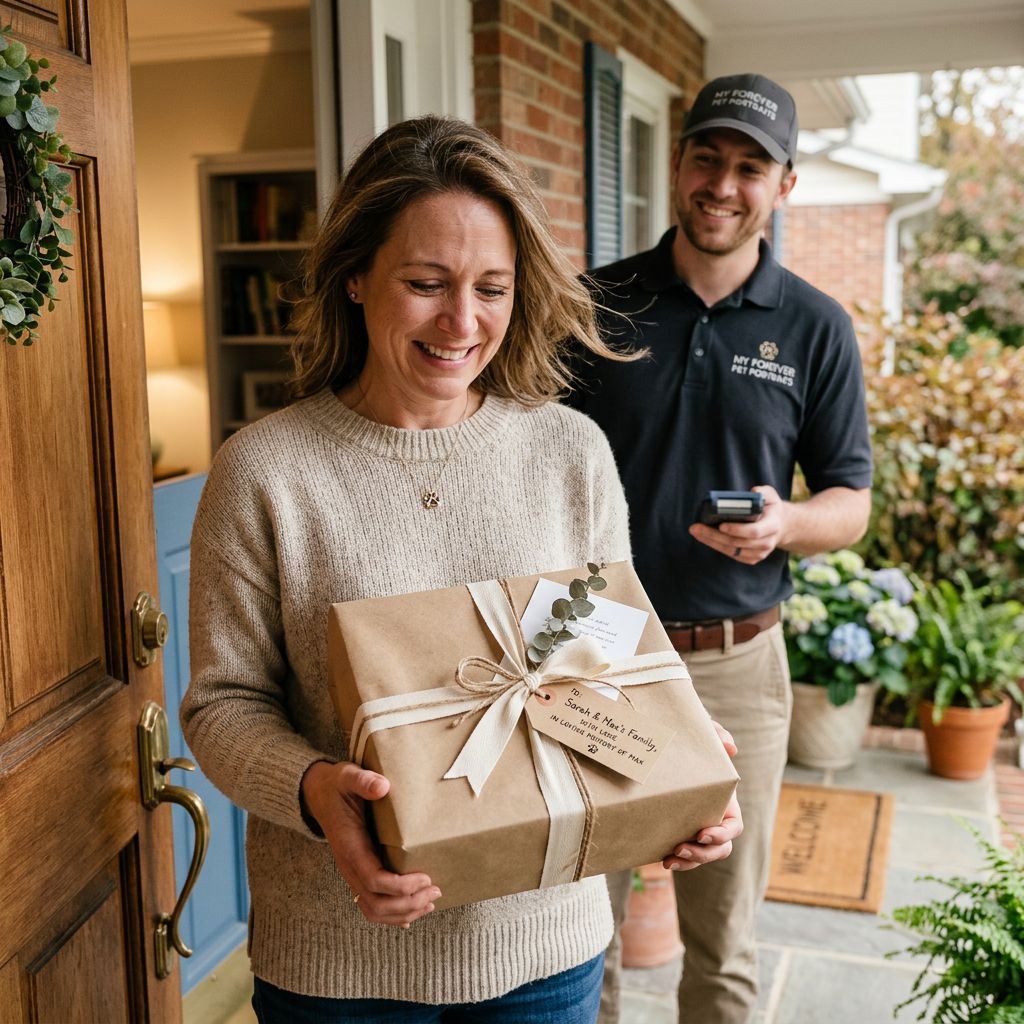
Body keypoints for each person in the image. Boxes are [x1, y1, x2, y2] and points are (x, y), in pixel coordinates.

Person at [181, 115, 741, 1024]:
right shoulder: (267, 471)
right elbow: (223, 703)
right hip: (340, 962)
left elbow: (605, 651)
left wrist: (681, 761)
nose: (462, 321)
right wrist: (319, 793)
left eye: (492, 287)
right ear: (355, 276)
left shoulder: (569, 452)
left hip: (546, 947)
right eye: (426, 283)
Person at [566, 74, 873, 1024]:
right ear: (679, 161)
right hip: (594, 653)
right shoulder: (594, 303)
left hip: (738, 659)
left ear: (784, 186)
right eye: (708, 157)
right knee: (581, 934)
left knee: (724, 943)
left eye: (750, 167)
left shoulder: (815, 326)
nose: (723, 183)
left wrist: (785, 523)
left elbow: (850, 503)